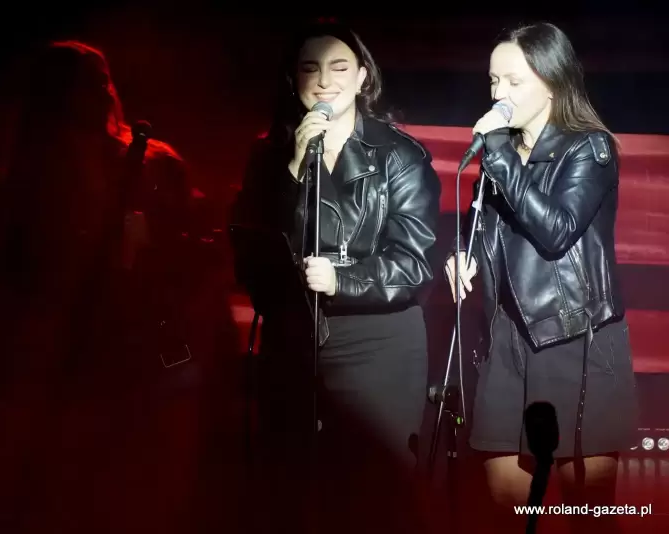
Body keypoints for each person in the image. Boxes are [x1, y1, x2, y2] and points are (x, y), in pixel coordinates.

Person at [232, 20, 441, 533]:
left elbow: (415, 263)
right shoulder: (270, 155)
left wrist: (343, 281)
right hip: (294, 338)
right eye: (311, 69)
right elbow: (251, 249)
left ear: (362, 76)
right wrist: (293, 169)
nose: (325, 81)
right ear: (294, 79)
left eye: (339, 67)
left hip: (378, 342)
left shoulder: (399, 156)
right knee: (291, 487)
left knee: (373, 493)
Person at [444, 22, 637, 533]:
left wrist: (501, 157)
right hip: (507, 342)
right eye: (493, 81)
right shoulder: (500, 157)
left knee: (587, 516)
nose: (499, 94)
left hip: (575, 340)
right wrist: (462, 255)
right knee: (505, 509)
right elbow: (482, 229)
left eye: (514, 82)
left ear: (552, 82)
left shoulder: (589, 148)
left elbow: (557, 231)